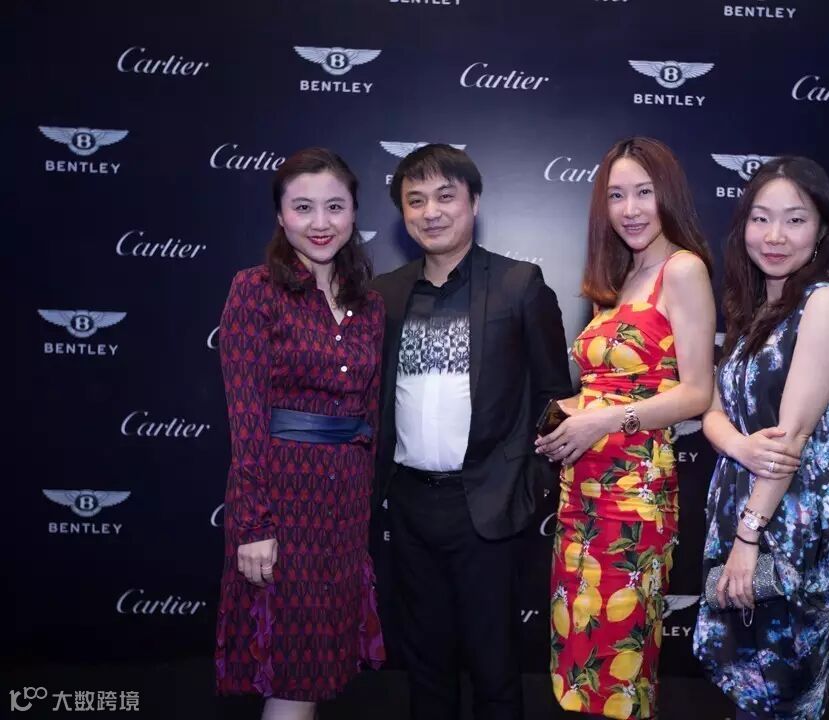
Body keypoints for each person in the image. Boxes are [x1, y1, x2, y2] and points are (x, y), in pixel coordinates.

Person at [370, 144, 572, 720]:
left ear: (473, 202)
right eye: (415, 200)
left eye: (445, 196)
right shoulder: (385, 294)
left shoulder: (518, 284)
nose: (431, 211)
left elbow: (555, 396)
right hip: (409, 505)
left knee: (494, 666)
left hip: (488, 505)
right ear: (402, 213)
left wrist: (530, 485)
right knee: (424, 666)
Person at [536, 137, 715, 719]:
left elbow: (696, 391)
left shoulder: (683, 270)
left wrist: (606, 419)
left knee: (620, 659)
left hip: (633, 496)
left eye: (644, 193)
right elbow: (611, 385)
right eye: (616, 196)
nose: (630, 209)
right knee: (580, 651)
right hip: (580, 493)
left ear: (669, 197)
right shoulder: (617, 277)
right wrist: (569, 415)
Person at [214, 148, 385, 719]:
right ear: (280, 216)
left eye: (334, 206)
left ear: (354, 212)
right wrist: (253, 524)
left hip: (346, 508)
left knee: (316, 674)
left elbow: (370, 414)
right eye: (303, 207)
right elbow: (245, 419)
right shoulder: (254, 290)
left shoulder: (370, 305)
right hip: (282, 505)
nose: (320, 222)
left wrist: (365, 514)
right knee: (290, 673)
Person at [693, 156, 829, 720]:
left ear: (822, 230)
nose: (774, 236)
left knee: (780, 693)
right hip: (746, 513)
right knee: (749, 688)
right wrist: (738, 445)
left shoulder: (823, 302)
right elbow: (710, 405)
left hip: (786, 531)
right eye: (761, 218)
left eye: (795, 220)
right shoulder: (755, 307)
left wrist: (749, 536)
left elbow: (791, 438)